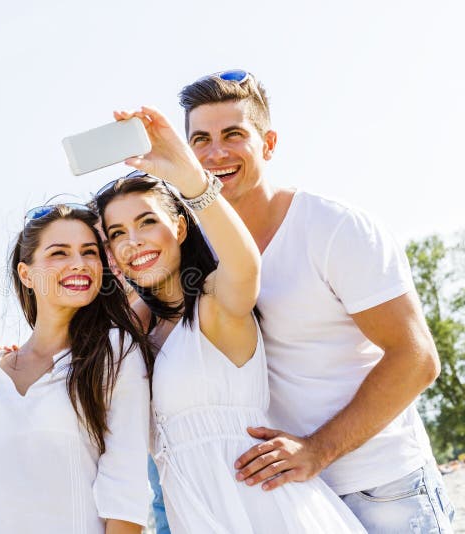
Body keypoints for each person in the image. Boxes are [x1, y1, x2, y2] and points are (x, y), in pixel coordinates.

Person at [166, 70, 452, 532]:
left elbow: (417, 358)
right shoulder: (197, 252)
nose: (215, 153)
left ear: (269, 144)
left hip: (383, 487)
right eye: (200, 140)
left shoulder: (333, 227)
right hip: (292, 501)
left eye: (233, 135)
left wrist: (317, 449)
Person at [0, 204, 153, 534]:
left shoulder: (114, 353)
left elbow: (126, 494)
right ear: (26, 274)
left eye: (89, 252)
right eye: (59, 252)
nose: (79, 263)